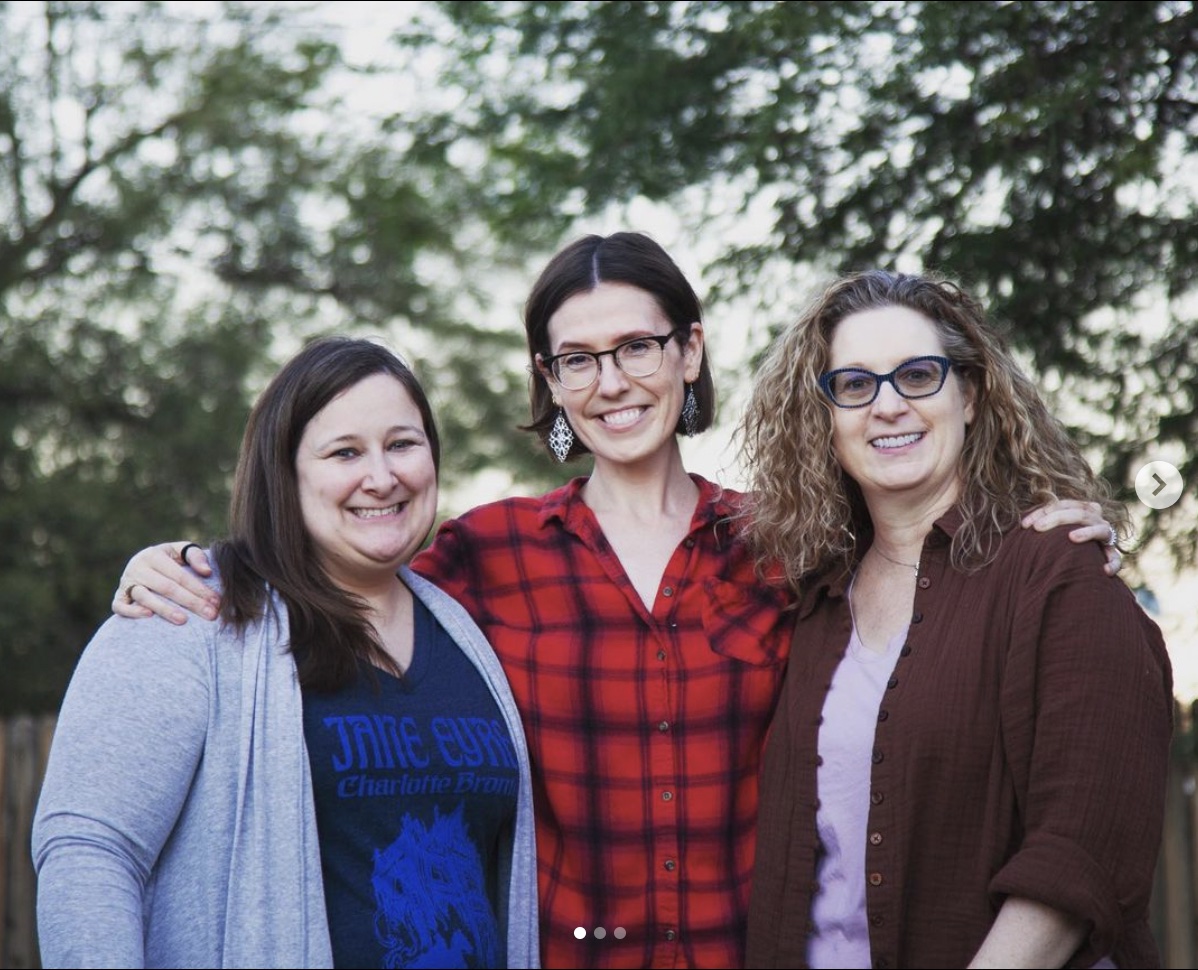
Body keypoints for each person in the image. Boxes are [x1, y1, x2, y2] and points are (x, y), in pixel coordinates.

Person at [106, 234, 1121, 969]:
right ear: (549, 383)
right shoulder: (480, 558)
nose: (612, 382)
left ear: (688, 352)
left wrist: (1063, 533)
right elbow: (337, 560)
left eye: (638, 346)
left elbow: (931, 562)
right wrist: (196, 560)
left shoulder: (792, 548)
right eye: (577, 359)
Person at [33, 337, 540, 969]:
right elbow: (90, 851)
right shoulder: (187, 614)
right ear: (286, 472)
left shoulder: (464, 630)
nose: (382, 476)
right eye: (344, 452)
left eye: (403, 444)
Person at [739, 270, 1173, 969]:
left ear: (969, 395)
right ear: (825, 416)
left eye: (917, 375)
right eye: (854, 385)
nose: (886, 406)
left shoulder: (1057, 578)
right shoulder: (813, 602)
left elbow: (1081, 854)